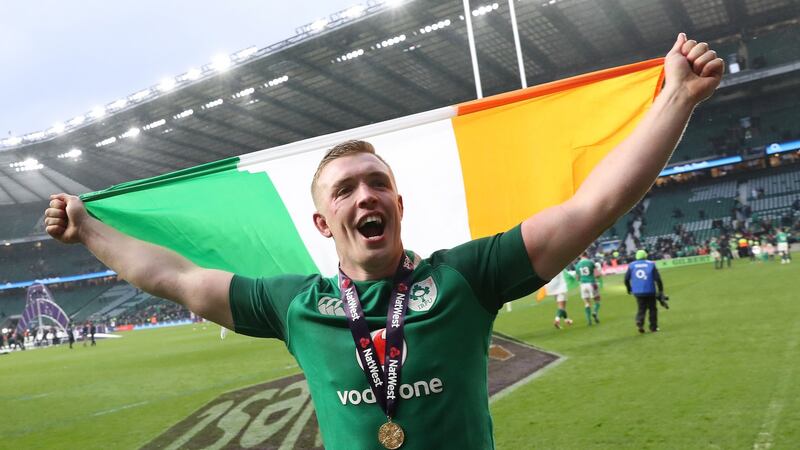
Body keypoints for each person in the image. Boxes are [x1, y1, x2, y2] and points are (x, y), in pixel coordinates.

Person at [43, 34, 722, 450]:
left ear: (399, 204)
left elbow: (595, 204)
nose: (363, 196)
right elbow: (176, 279)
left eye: (376, 184)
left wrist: (676, 100)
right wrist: (89, 230)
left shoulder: (469, 276)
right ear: (323, 223)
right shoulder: (295, 306)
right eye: (343, 191)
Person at [625, 250, 665, 333]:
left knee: (641, 308)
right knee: (652, 309)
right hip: (650, 290)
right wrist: (660, 290)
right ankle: (653, 327)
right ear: (645, 256)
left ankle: (639, 321)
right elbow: (658, 279)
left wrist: (629, 289)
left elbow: (626, 279)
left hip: (638, 291)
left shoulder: (632, 265)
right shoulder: (651, 264)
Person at [575, 253, 602, 325]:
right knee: (597, 299)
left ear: (580, 256)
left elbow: (577, 278)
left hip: (583, 285)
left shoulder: (577, 265)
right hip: (591, 283)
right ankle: (595, 312)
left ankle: (589, 321)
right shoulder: (590, 262)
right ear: (587, 255)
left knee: (587, 303)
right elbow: (597, 275)